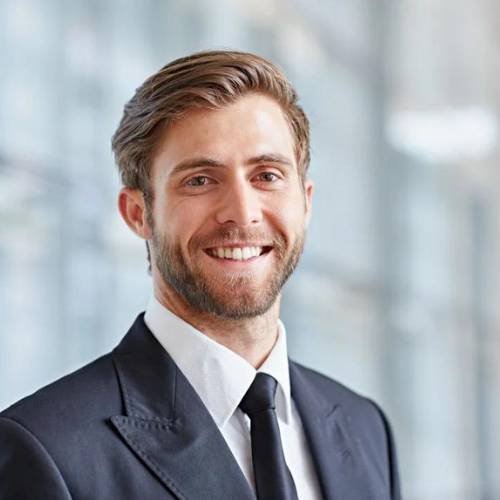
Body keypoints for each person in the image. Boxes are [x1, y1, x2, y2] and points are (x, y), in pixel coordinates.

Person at [0, 50, 401, 500]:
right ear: (138, 213)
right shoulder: (46, 449)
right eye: (200, 180)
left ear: (305, 201)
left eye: (267, 175)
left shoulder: (365, 427)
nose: (242, 214)